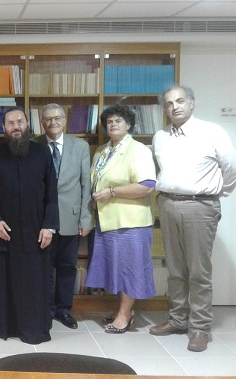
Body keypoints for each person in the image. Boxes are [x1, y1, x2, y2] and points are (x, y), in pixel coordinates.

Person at [150, 85, 236, 352]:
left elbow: (231, 167)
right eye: (168, 103)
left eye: (179, 101)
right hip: (167, 204)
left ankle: (200, 327)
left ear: (191, 103)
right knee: (175, 268)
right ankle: (178, 319)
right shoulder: (160, 136)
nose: (174, 107)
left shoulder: (212, 131)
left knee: (198, 271)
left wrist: (214, 193)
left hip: (200, 206)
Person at [0, 107, 59, 345]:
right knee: (3, 283)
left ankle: (32, 328)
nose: (16, 126)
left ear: (28, 125)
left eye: (20, 122)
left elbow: (52, 193)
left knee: (32, 284)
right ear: (4, 128)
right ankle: (3, 326)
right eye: (10, 123)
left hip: (35, 233)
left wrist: (49, 226)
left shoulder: (42, 152)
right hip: (3, 233)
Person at [86, 105, 156, 334]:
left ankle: (125, 316)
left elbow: (147, 186)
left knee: (129, 270)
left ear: (129, 124)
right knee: (116, 270)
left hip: (130, 222)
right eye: (110, 121)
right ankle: (122, 311)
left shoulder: (138, 150)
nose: (113, 124)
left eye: (118, 120)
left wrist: (112, 192)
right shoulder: (102, 151)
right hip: (107, 220)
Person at [36, 103, 91, 330]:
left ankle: (63, 309)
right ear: (42, 122)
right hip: (42, 220)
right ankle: (46, 309)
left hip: (71, 217)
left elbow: (86, 184)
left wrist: (86, 218)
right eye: (48, 119)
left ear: (64, 120)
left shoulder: (80, 146)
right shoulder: (34, 145)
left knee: (67, 266)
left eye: (57, 118)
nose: (53, 122)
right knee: (44, 267)